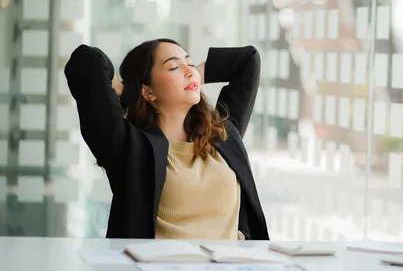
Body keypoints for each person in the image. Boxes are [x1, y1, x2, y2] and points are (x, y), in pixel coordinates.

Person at [64, 39, 269, 240]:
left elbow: (247, 60)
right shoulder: (128, 146)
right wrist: (129, 92)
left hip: (229, 269)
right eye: (173, 67)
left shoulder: (223, 135)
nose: (189, 70)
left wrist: (192, 77)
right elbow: (86, 60)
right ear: (148, 91)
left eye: (189, 63)